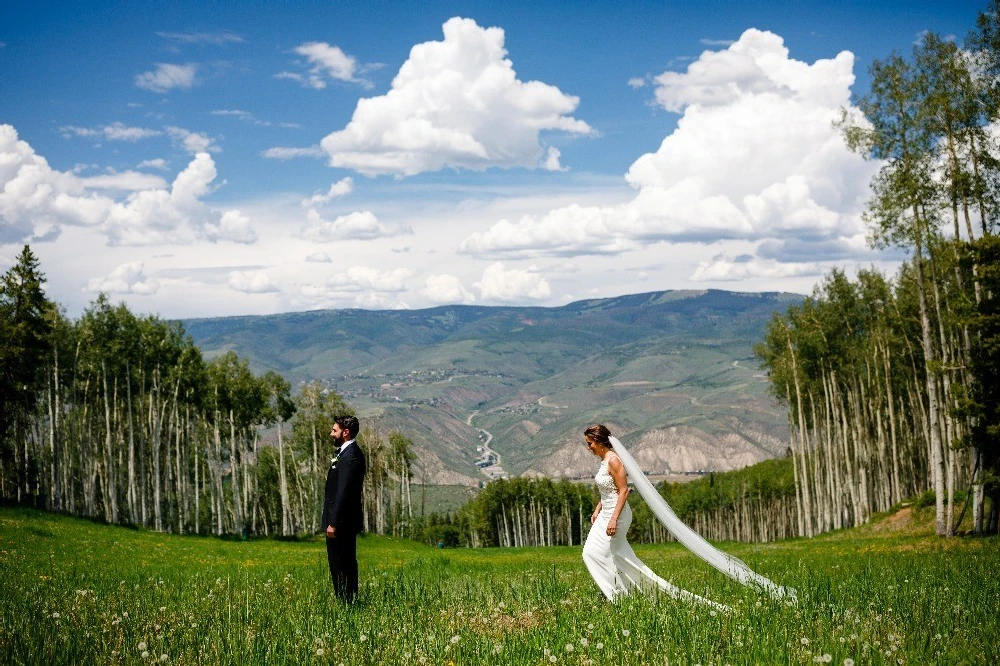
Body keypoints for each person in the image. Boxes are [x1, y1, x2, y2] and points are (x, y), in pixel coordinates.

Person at [581, 424, 792, 608]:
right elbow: (610, 490)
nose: (588, 448)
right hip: (606, 513)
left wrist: (613, 518)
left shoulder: (614, 461)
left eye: (589, 443)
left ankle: (616, 596)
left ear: (599, 442)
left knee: (593, 553)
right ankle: (617, 593)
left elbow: (624, 490)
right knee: (608, 555)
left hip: (616, 516)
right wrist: (598, 508)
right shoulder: (604, 461)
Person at [322, 415, 367, 603]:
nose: (331, 434)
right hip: (341, 521)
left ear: (345, 433)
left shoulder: (351, 457)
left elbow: (344, 493)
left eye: (334, 430)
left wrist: (333, 523)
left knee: (342, 563)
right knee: (340, 563)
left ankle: (347, 602)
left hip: (341, 522)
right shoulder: (346, 454)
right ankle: (347, 601)